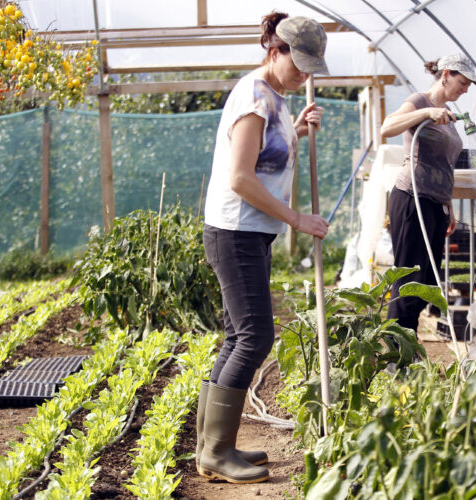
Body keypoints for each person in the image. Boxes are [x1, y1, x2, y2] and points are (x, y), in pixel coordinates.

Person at [197, 12, 329, 484]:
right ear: (275, 51)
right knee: (255, 337)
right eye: (300, 63)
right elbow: (239, 177)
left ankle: (214, 446)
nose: (305, 74)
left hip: (249, 232)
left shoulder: (273, 97)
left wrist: (297, 127)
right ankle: (216, 451)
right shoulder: (254, 97)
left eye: (312, 67)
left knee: (238, 336)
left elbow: (267, 153)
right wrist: (296, 219)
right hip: (236, 232)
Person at [381, 54, 476, 337]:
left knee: (425, 281)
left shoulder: (447, 113)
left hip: (435, 203)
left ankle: (406, 343)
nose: (465, 89)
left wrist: (448, 206)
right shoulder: (421, 101)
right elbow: (387, 126)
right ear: (446, 74)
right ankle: (396, 349)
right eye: (462, 82)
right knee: (409, 278)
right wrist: (426, 113)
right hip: (412, 198)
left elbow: (443, 164)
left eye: (468, 85)